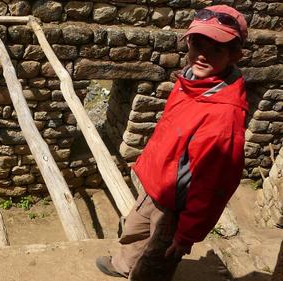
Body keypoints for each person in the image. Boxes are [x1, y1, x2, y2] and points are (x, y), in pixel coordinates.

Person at [96, 5, 249, 280]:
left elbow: (213, 185)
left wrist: (187, 234)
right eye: (197, 44)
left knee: (156, 260)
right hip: (157, 184)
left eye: (216, 49)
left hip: (176, 207)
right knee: (134, 231)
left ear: (234, 54)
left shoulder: (224, 116)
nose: (202, 55)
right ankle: (123, 265)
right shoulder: (190, 82)